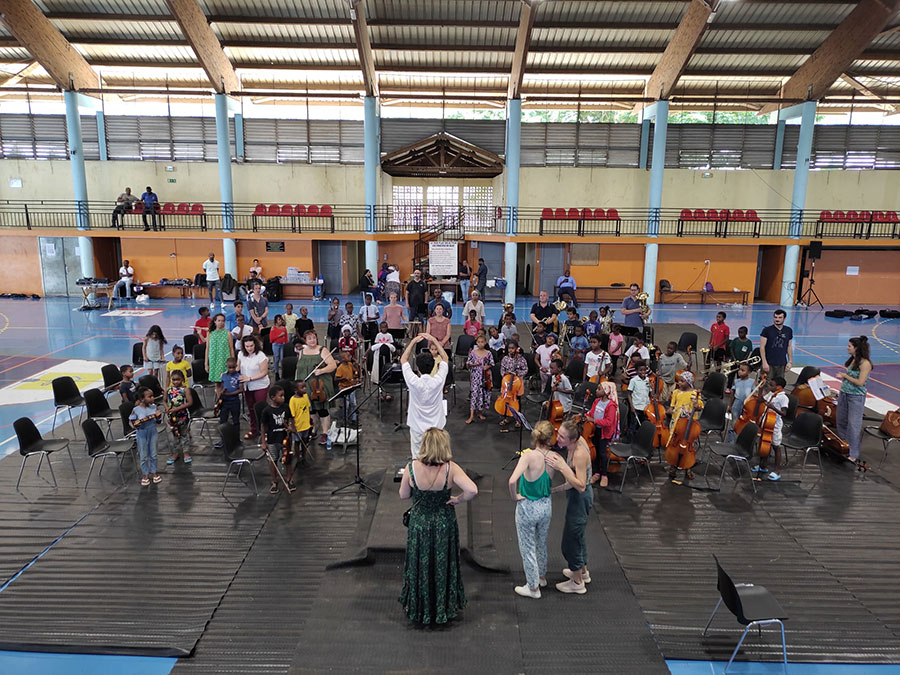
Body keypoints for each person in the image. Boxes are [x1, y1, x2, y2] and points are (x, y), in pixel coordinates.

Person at [399, 427, 477, 625]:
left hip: (419, 525)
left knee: (421, 565)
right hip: (444, 524)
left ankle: (420, 608)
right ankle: (443, 606)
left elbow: (403, 495)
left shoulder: (411, 467)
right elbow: (472, 490)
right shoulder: (451, 468)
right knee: (443, 565)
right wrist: (458, 499)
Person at [509, 420, 556, 598]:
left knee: (527, 547)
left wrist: (515, 497)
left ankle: (533, 587)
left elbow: (512, 480)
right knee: (541, 542)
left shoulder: (528, 456)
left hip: (528, 508)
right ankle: (541, 577)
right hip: (545, 506)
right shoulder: (553, 457)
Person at [545, 419, 592, 594]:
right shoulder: (576, 440)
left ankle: (577, 582)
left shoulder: (579, 453)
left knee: (570, 541)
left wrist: (562, 467)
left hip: (580, 498)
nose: (558, 439)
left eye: (563, 437)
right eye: (559, 433)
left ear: (573, 440)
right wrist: (554, 490)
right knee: (578, 536)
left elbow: (580, 485)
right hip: (575, 496)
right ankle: (582, 571)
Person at [400, 333, 449, 460]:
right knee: (437, 458)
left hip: (417, 427)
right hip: (436, 427)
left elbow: (403, 360)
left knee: (417, 459)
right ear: (433, 366)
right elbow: (445, 358)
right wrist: (434, 339)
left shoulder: (414, 381)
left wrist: (413, 342)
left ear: (418, 368)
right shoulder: (438, 381)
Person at [295, 329, 337, 447]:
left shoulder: (322, 350)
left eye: (314, 338)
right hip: (306, 385)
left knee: (322, 409)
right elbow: (299, 368)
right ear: (305, 340)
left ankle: (325, 433)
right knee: (311, 409)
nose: (312, 340)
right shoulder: (302, 351)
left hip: (320, 384)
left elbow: (333, 365)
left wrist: (321, 370)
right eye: (309, 339)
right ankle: (313, 430)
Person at [836, 336, 873, 466]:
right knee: (841, 420)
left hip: (855, 397)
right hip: (844, 394)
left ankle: (853, 453)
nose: (847, 348)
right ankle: (843, 445)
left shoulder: (865, 363)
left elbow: (860, 382)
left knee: (853, 424)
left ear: (856, 348)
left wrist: (845, 376)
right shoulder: (853, 360)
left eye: (849, 346)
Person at [666, 371, 704, 481]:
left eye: (682, 381)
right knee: (675, 443)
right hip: (677, 422)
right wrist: (668, 411)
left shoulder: (694, 393)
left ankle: (688, 467)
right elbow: (672, 407)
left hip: (690, 425)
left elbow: (699, 407)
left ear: (689, 382)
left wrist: (696, 403)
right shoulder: (676, 392)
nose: (679, 383)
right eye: (679, 381)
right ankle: (673, 465)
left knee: (689, 445)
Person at [753, 377, 789, 481]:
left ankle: (777, 470)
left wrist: (773, 408)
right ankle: (763, 466)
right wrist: (760, 389)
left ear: (778, 387)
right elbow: (760, 400)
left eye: (772, 385)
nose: (770, 387)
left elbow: (784, 413)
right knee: (765, 444)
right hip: (766, 423)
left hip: (775, 425)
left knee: (776, 446)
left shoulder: (783, 398)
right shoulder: (771, 394)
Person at [260, 384, 293, 494]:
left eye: (283, 396)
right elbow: (263, 426)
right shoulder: (267, 411)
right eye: (281, 396)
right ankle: (274, 481)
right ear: (273, 397)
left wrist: (290, 428)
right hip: (272, 440)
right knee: (273, 461)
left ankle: (289, 479)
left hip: (285, 439)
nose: (283, 398)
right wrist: (263, 442)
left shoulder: (286, 407)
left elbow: (289, 420)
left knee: (288, 459)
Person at [238, 335, 270, 440]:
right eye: (247, 346)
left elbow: (264, 372)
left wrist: (250, 378)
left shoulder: (261, 356)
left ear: (255, 345)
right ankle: (254, 429)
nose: (249, 348)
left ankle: (265, 431)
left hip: (260, 385)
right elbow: (238, 368)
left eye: (251, 346)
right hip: (248, 387)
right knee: (251, 409)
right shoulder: (240, 354)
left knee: (261, 409)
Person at [588, 380, 620, 488]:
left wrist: (594, 420)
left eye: (599, 389)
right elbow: (591, 413)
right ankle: (596, 473)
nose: (596, 391)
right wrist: (585, 416)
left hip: (604, 433)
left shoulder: (611, 405)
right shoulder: (597, 401)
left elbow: (609, 422)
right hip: (594, 431)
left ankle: (604, 475)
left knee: (602, 454)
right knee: (595, 452)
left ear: (606, 391)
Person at [130, 386, 162, 486]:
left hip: (152, 432)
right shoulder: (136, 410)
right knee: (143, 455)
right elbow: (131, 422)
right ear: (142, 399)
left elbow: (158, 421)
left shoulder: (154, 407)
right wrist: (135, 425)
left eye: (153, 396)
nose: (153, 398)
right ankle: (145, 474)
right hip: (142, 433)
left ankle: (154, 472)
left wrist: (158, 417)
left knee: (153, 453)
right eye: (150, 396)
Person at [164, 369, 193, 466]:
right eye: (174, 380)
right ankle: (176, 453)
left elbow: (190, 402)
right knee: (175, 435)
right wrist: (167, 407)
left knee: (184, 435)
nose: (176, 382)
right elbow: (164, 400)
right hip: (172, 417)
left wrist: (177, 408)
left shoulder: (185, 389)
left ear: (182, 379)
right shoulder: (168, 390)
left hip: (182, 416)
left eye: (178, 379)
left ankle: (186, 452)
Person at [466, 334, 494, 425]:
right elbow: (468, 363)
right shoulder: (473, 352)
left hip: (485, 376)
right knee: (474, 393)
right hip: (475, 375)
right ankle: (471, 415)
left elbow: (492, 363)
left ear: (485, 342)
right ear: (476, 343)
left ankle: (480, 412)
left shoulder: (488, 353)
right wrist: (474, 364)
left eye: (482, 342)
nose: (480, 343)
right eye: (479, 342)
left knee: (482, 393)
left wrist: (487, 366)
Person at [499, 342, 528, 430]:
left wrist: (517, 374)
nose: (511, 350)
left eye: (513, 348)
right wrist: (505, 374)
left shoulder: (521, 359)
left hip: (517, 382)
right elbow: (502, 369)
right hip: (507, 382)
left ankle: (518, 419)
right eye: (509, 348)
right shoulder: (505, 359)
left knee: (517, 401)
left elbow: (525, 369)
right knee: (506, 401)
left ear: (516, 348)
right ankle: (506, 417)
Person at [760, 309, 793, 380]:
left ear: (784, 319)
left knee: (779, 385)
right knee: (765, 384)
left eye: (780, 317)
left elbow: (789, 346)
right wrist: (764, 362)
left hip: (781, 363)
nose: (777, 319)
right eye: (775, 317)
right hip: (769, 363)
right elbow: (762, 347)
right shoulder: (767, 330)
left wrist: (790, 361)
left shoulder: (788, 330)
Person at [726, 362, 755, 443]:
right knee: (734, 422)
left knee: (745, 423)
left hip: (747, 405)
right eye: (739, 369)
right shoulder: (736, 381)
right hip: (737, 403)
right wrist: (730, 405)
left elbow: (755, 393)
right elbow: (733, 394)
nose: (739, 371)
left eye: (743, 370)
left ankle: (742, 440)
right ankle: (731, 441)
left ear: (749, 372)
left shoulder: (752, 382)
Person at [206, 313, 234, 385]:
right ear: (215, 321)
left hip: (224, 359)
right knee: (217, 383)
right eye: (219, 320)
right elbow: (207, 348)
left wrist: (233, 361)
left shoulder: (227, 333)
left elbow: (231, 348)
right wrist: (206, 363)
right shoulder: (210, 333)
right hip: (214, 360)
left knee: (225, 382)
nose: (221, 323)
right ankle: (219, 396)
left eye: (223, 321)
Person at [335, 350, 361, 425]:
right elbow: (336, 378)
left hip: (351, 387)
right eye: (348, 356)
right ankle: (345, 420)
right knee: (345, 405)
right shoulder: (340, 368)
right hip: (344, 388)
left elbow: (355, 373)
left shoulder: (350, 364)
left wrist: (357, 366)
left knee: (353, 403)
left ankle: (354, 419)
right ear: (343, 359)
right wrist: (344, 379)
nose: (350, 357)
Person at [289, 380, 312, 462]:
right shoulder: (293, 400)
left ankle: (304, 456)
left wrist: (310, 420)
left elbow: (308, 408)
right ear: (296, 390)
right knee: (297, 442)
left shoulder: (305, 396)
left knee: (305, 441)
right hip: (298, 426)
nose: (305, 389)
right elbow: (292, 415)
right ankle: (298, 457)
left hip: (306, 425)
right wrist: (293, 426)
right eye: (302, 387)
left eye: (305, 387)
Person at [217, 357, 242, 429]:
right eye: (229, 367)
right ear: (226, 367)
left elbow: (241, 389)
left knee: (236, 420)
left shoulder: (239, 376)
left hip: (235, 401)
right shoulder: (223, 376)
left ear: (236, 366)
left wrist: (229, 394)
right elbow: (221, 386)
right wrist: (222, 392)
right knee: (223, 420)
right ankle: (224, 438)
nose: (231, 369)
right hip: (225, 401)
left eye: (233, 367)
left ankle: (236, 438)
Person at [626, 361, 651, 428]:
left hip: (646, 407)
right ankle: (631, 438)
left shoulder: (649, 380)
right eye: (640, 370)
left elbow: (650, 393)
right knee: (633, 426)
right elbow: (629, 394)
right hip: (636, 407)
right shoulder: (633, 380)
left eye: (644, 370)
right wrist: (632, 406)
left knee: (643, 426)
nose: (643, 372)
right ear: (636, 371)